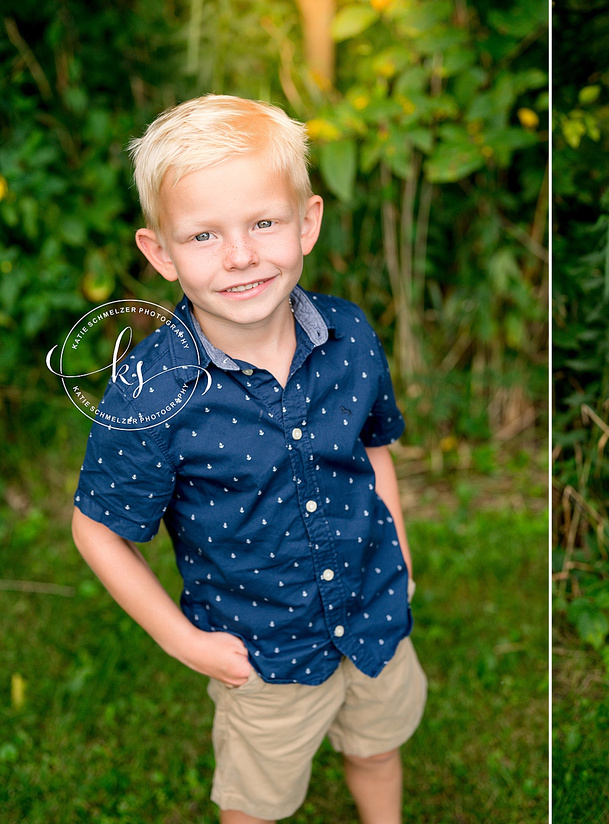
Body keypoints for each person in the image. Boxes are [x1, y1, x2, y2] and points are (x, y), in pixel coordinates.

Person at [71, 94, 427, 824]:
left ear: (306, 224)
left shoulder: (350, 336)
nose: (240, 256)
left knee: (379, 747)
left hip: (374, 610)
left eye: (263, 223)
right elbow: (97, 529)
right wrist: (189, 644)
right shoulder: (154, 390)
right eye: (203, 235)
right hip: (260, 649)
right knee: (257, 804)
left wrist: (404, 553)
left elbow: (373, 450)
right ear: (161, 253)